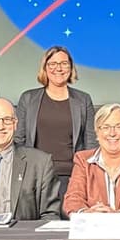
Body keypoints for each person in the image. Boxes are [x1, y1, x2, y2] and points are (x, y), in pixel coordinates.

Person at [15, 46, 97, 194]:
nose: (58, 68)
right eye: (52, 64)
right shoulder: (28, 98)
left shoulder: (83, 100)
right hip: (35, 175)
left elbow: (90, 143)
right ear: (45, 68)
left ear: (71, 68)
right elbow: (19, 140)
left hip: (72, 177)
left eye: (64, 63)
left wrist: (86, 177)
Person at [63, 103, 120, 218]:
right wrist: (86, 214)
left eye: (119, 126)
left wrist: (118, 216)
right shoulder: (83, 160)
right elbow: (73, 198)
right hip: (93, 229)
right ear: (97, 132)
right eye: (106, 127)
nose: (112, 133)